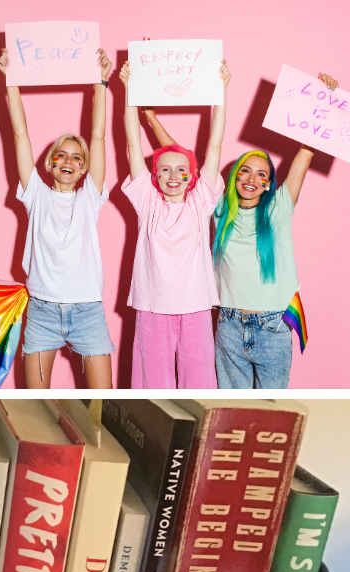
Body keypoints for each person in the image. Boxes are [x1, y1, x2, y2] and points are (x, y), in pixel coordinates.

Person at [184, 73, 335, 388]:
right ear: (235, 176)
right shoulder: (220, 210)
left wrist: (324, 99)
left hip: (273, 325)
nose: (251, 179)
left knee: (268, 400)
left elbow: (305, 154)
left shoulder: (278, 210)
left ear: (269, 184)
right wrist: (151, 117)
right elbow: (190, 157)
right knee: (229, 402)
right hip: (228, 324)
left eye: (261, 175)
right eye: (244, 172)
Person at [0, 47, 115, 389]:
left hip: (88, 312)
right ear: (49, 163)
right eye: (60, 154)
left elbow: (98, 136)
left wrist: (101, 83)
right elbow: (20, 133)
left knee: (103, 404)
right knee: (34, 403)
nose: (68, 160)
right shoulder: (36, 194)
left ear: (85, 169)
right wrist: (11, 81)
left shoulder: (90, 197)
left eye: (77, 158)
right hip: (43, 312)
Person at [119, 59, 231, 389]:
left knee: (199, 378)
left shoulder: (200, 203)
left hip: (194, 306)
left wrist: (221, 91)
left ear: (192, 177)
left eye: (181, 169)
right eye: (164, 169)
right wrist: (129, 91)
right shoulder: (147, 201)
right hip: (153, 307)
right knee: (152, 380)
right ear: (154, 176)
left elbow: (215, 144)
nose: (173, 175)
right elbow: (133, 144)